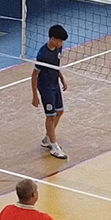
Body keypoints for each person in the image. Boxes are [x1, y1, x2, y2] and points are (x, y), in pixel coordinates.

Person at [33, 24, 69, 160]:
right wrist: (35, 95)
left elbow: (56, 66)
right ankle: (54, 146)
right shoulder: (43, 54)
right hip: (45, 87)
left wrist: (62, 79)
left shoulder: (58, 48)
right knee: (51, 116)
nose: (61, 44)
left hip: (55, 84)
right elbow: (34, 75)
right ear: (53, 39)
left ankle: (48, 137)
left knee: (60, 112)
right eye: (59, 41)